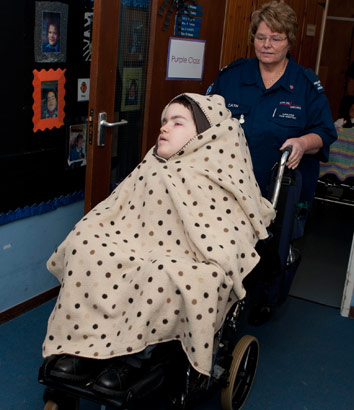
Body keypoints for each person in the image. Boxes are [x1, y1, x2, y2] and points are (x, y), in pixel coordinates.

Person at [42, 93, 275, 396]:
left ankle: (141, 357)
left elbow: (228, 238)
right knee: (85, 245)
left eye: (177, 123)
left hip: (184, 257)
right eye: (164, 121)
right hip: (134, 243)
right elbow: (115, 210)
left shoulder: (218, 176)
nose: (164, 128)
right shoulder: (152, 165)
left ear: (205, 135)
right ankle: (83, 348)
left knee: (162, 271)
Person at [206, 1, 337, 324]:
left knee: (275, 244)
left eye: (276, 38)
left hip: (281, 184)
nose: (267, 45)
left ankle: (267, 300)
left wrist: (302, 142)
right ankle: (222, 297)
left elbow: (325, 132)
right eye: (261, 37)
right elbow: (205, 119)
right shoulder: (233, 77)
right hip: (231, 184)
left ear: (290, 41)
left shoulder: (305, 85)